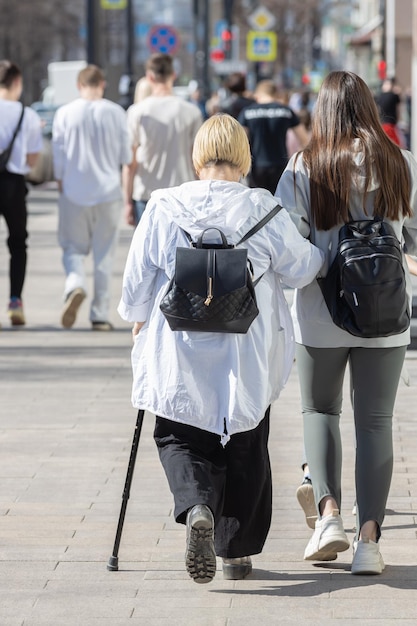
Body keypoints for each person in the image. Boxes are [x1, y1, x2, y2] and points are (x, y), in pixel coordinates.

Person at [117, 113, 324, 584]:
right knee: (247, 442)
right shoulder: (262, 208)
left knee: (177, 434)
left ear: (196, 156)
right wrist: (322, 251)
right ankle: (236, 552)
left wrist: (137, 318)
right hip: (246, 349)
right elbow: (301, 269)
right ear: (244, 157)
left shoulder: (164, 206)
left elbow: (136, 282)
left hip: (179, 343)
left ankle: (195, 507)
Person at [276, 70, 417, 575]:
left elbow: (286, 241)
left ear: (325, 110)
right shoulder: (400, 163)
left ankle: (329, 517)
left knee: (319, 411)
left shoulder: (304, 167)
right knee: (376, 423)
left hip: (322, 310)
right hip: (386, 311)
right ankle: (371, 543)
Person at [52, 64, 131, 331]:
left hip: (73, 190)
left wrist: (61, 181)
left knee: (72, 248)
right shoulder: (116, 112)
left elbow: (58, 153)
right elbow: (126, 157)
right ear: (103, 84)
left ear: (79, 85)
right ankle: (99, 315)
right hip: (108, 191)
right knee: (104, 255)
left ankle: (75, 282)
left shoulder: (64, 113)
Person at [123, 53, 203, 227]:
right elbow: (198, 158)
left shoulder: (137, 111)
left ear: (149, 77)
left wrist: (127, 202)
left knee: (148, 250)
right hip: (183, 192)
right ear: (173, 75)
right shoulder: (191, 111)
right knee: (180, 251)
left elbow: (130, 162)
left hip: (146, 192)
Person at [0, 60, 43, 327]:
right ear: (17, 82)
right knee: (18, 243)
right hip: (14, 184)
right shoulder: (26, 115)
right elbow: (32, 158)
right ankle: (15, 300)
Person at [238, 80, 309, 194]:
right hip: (281, 165)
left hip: (256, 166)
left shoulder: (247, 112)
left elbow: (239, 142)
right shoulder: (286, 111)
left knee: (258, 203)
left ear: (258, 94)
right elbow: (304, 139)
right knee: (279, 203)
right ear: (275, 94)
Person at [375, 77, 403, 147]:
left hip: (381, 123)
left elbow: (377, 110)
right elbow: (398, 109)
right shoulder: (394, 96)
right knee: (397, 144)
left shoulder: (379, 97)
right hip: (391, 123)